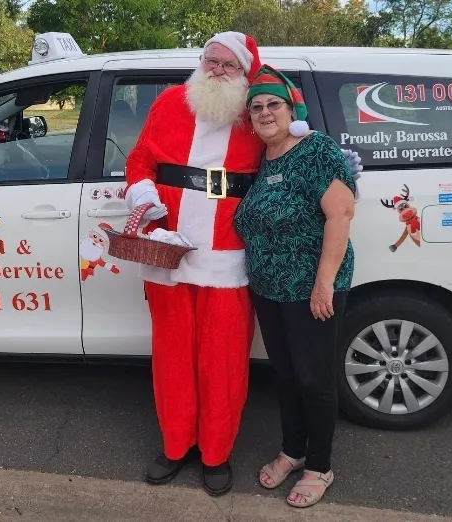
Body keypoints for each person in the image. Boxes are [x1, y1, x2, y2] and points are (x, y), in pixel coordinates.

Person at [123, 32, 362, 497]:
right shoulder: (171, 102)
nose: (215, 70)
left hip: (229, 260)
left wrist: (344, 171)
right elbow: (140, 161)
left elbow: (315, 174)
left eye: (227, 65)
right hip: (168, 253)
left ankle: (215, 453)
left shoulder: (259, 120)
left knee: (224, 360)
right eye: (210, 60)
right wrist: (145, 197)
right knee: (172, 358)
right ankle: (176, 446)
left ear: (246, 74)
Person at [233, 65, 357, 508]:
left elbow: (340, 213)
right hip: (269, 290)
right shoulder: (263, 159)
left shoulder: (314, 150)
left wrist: (323, 284)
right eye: (257, 106)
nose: (265, 112)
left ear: (291, 110)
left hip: (310, 290)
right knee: (286, 375)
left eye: (274, 104)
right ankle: (293, 449)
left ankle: (319, 466)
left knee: (314, 377)